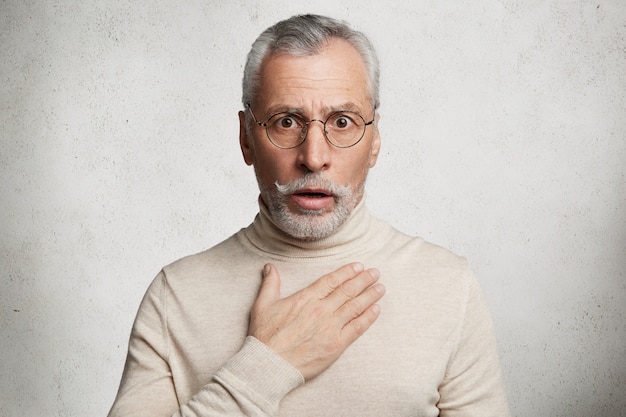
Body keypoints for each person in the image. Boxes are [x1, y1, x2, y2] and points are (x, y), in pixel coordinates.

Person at [108, 14, 510, 417]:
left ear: (374, 141)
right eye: (286, 122)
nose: (314, 157)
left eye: (342, 122)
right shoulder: (174, 297)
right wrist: (265, 366)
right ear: (246, 138)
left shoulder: (449, 286)